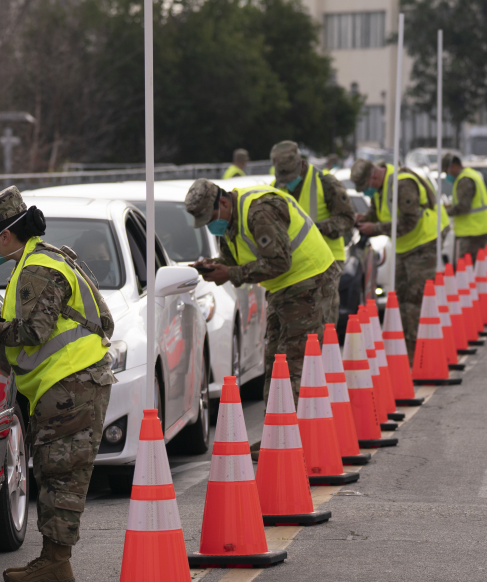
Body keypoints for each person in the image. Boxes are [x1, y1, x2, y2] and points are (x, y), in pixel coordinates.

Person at [0, 186, 116, 582]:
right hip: (74, 381)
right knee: (59, 470)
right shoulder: (45, 257)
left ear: (5, 234)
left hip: (69, 382)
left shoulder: (37, 268)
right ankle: (54, 559)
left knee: (60, 471)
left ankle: (55, 563)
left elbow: (33, 331)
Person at [185, 178, 338, 404]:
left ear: (224, 203)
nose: (210, 226)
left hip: (309, 281)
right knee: (276, 360)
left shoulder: (259, 212)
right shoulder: (230, 221)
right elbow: (234, 260)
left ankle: (294, 435)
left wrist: (230, 274)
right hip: (284, 288)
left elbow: (279, 262)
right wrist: (215, 266)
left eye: (210, 219)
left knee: (293, 364)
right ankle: (277, 435)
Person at [352, 159, 438, 359]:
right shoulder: (382, 187)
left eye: (367, 187)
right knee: (401, 299)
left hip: (422, 246)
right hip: (404, 248)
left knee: (414, 302)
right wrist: (365, 218)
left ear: (373, 176)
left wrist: (376, 229)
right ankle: (407, 354)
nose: (367, 192)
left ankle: (420, 355)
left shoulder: (402, 184)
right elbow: (378, 212)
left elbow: (409, 221)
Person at [271, 141, 354, 325]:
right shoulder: (276, 187)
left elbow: (347, 219)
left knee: (324, 319)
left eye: (290, 175)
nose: (288, 181)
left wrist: (317, 228)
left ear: (301, 163)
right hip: (293, 266)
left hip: (326, 262)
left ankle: (325, 354)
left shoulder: (325, 183)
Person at [442, 152, 487, 262]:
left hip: (473, 231)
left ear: (454, 166)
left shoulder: (465, 180)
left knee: (467, 266)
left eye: (447, 171)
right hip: (479, 228)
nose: (447, 175)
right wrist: (449, 206)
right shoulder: (472, 174)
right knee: (477, 265)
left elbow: (463, 207)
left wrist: (444, 212)